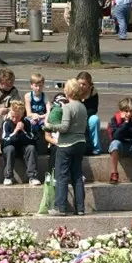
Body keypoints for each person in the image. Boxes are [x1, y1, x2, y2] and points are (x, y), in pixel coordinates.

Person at [43, 78, 88, 216]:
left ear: (68, 91)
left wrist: (49, 126)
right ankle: (80, 208)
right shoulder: (83, 107)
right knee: (77, 176)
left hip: (66, 144)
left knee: (61, 175)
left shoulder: (67, 107)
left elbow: (64, 127)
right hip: (81, 142)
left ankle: (60, 207)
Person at [1, 101, 40, 186]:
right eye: (13, 116)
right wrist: (15, 132)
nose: (15, 119)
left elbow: (32, 139)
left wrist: (23, 131)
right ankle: (8, 176)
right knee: (10, 148)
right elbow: (5, 141)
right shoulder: (6, 123)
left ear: (22, 115)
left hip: (23, 148)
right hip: (10, 149)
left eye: (17, 117)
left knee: (31, 148)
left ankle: (32, 176)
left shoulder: (27, 122)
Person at [76, 71, 103, 155]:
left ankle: (96, 148)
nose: (81, 86)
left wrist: (84, 117)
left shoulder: (93, 93)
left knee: (94, 120)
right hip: (76, 116)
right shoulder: (74, 91)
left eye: (84, 84)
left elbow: (93, 109)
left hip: (87, 116)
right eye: (80, 84)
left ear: (89, 85)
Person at [24, 72, 51, 152]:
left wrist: (40, 117)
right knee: (32, 123)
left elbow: (49, 112)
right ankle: (32, 143)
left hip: (42, 117)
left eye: (40, 86)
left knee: (47, 124)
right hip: (31, 117)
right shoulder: (28, 96)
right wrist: (34, 116)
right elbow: (28, 113)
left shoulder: (44, 96)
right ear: (31, 85)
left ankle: (47, 144)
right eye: (36, 86)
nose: (38, 88)